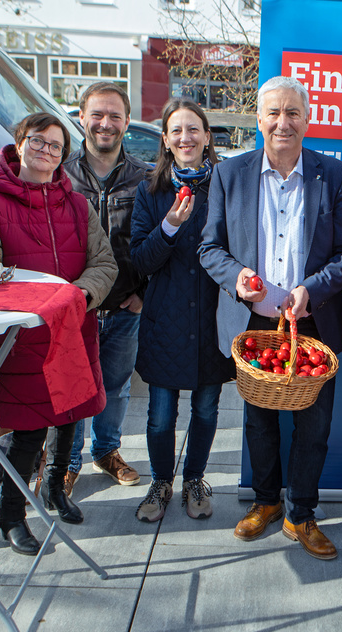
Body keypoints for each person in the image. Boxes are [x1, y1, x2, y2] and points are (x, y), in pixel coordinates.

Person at [199, 76, 342, 561]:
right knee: (258, 420)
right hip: (253, 325)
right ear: (259, 119)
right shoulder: (229, 174)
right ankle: (267, 501)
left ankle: (302, 513)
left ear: (307, 120)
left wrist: (312, 290)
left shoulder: (334, 176)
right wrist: (237, 278)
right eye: (274, 112)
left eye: (293, 112)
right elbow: (210, 247)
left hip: (313, 323)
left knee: (315, 426)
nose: (283, 122)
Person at [0, 113, 117, 555]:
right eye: (37, 141)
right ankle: (11, 514)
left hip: (72, 325)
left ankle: (53, 488)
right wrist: (38, 302)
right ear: (19, 144)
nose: (46, 151)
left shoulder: (78, 205)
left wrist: (77, 296)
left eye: (55, 145)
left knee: (71, 412)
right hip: (23, 334)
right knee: (29, 428)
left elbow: (104, 263)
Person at [130, 98, 234, 522]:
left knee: (206, 410)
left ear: (207, 137)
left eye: (193, 129)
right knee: (160, 417)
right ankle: (160, 482)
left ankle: (194, 478)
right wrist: (170, 225)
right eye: (176, 130)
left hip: (212, 319)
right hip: (165, 320)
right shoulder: (149, 190)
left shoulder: (225, 187)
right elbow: (141, 260)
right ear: (165, 140)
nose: (185, 137)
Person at [63, 82, 153, 494]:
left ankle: (106, 451)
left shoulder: (143, 178)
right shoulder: (61, 174)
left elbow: (156, 242)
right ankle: (66, 462)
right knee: (70, 387)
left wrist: (143, 295)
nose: (105, 123)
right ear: (81, 116)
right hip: (73, 308)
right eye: (97, 114)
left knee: (115, 388)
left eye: (115, 115)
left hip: (123, 307)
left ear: (127, 121)